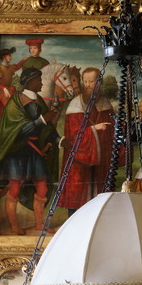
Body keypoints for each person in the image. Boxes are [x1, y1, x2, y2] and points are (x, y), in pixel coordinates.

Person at [0, 65, 60, 234]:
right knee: (15, 188)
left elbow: (47, 129)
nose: (41, 83)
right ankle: (14, 226)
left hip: (35, 152)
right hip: (17, 151)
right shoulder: (15, 102)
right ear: (29, 82)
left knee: (42, 187)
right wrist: (42, 121)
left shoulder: (39, 101)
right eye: (38, 80)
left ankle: (39, 224)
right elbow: (18, 131)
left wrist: (59, 138)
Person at [57, 66, 115, 215]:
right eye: (85, 81)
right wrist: (94, 129)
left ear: (99, 83)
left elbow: (113, 131)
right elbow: (74, 136)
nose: (88, 85)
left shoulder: (105, 104)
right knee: (78, 195)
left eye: (92, 81)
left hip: (101, 160)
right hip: (79, 162)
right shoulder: (75, 105)